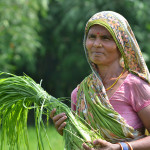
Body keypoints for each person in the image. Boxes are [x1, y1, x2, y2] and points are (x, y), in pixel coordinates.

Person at [50, 11, 150, 150]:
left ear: (121, 45)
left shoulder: (135, 86)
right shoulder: (80, 94)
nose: (97, 44)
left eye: (105, 38)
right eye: (91, 37)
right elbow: (81, 141)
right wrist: (66, 131)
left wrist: (120, 147)